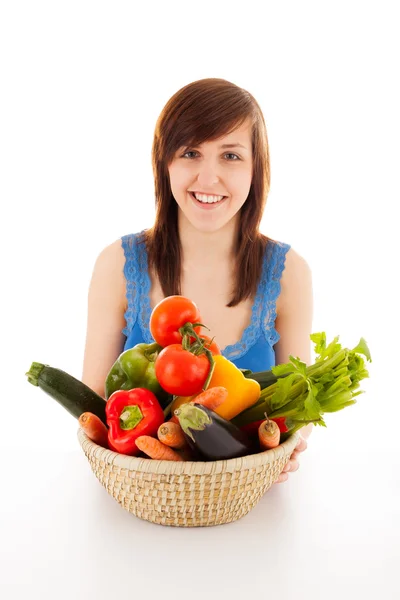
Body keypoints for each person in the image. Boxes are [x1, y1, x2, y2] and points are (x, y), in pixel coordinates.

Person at [82, 78, 313, 483]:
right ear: (164, 162)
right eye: (190, 152)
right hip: (138, 509)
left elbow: (300, 409)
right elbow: (93, 412)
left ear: (256, 168)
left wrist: (290, 445)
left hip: (256, 515)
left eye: (230, 155)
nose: (208, 179)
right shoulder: (117, 265)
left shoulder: (290, 272)